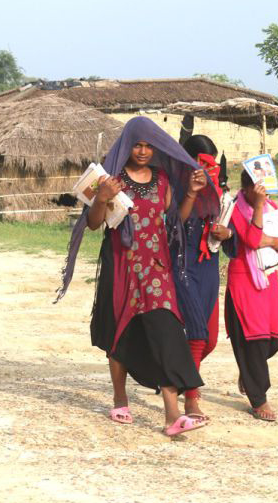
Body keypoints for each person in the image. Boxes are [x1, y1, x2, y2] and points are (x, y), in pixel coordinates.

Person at [55, 116, 219, 437]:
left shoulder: (162, 180)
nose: (143, 151)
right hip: (122, 265)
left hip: (157, 269)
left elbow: (174, 221)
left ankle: (172, 416)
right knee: (120, 331)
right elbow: (94, 223)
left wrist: (191, 194)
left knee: (167, 332)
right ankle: (120, 398)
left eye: (148, 145)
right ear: (127, 146)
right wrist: (102, 197)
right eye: (137, 145)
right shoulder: (110, 179)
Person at [223, 170, 278, 421]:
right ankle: (259, 399)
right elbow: (252, 240)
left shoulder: (273, 208)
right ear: (246, 189)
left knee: (275, 338)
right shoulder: (236, 210)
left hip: (269, 279)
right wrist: (259, 208)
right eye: (258, 187)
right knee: (254, 340)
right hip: (244, 280)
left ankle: (248, 371)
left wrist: (272, 241)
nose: (263, 192)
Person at [171, 135, 232, 417]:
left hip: (209, 267)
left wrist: (227, 233)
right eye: (203, 162)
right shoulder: (175, 186)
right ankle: (191, 399)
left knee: (210, 341)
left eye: (211, 163)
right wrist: (192, 192)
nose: (209, 168)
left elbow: (231, 230)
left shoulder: (220, 191)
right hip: (183, 264)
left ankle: (176, 377)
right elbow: (174, 224)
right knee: (197, 333)